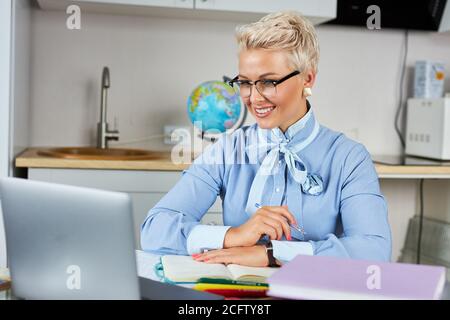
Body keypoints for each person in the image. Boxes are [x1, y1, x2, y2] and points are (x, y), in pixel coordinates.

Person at [141, 11, 392, 267]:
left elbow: (374, 250)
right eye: (245, 83)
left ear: (307, 78)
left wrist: (272, 254)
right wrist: (233, 236)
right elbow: (154, 229)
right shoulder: (228, 150)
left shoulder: (348, 158)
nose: (254, 97)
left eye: (269, 82)